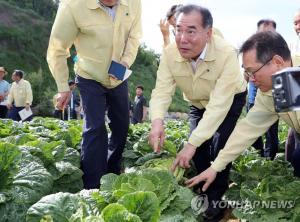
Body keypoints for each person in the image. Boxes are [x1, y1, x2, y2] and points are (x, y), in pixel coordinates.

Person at [148, 5, 246, 221]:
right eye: (178, 30)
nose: (182, 38)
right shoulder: (170, 54)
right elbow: (162, 90)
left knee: (219, 145)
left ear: (208, 33)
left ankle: (217, 201)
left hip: (229, 100)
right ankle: (205, 193)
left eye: (191, 31)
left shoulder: (226, 53)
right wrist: (156, 122)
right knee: (199, 151)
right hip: (197, 102)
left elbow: (219, 106)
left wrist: (190, 144)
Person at [187, 31, 300, 192]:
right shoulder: (275, 87)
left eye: (253, 71)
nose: (251, 79)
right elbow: (247, 129)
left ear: (277, 62)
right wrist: (215, 167)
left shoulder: (292, 78)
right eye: (247, 73)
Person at [47, 0, 142, 189]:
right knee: (95, 127)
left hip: (119, 75)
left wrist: (125, 62)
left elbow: (134, 36)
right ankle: (93, 186)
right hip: (89, 74)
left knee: (122, 126)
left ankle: (112, 173)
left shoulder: (134, 2)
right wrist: (63, 87)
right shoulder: (73, 5)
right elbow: (57, 49)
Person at [246, 19, 279, 159]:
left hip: (273, 96)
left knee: (271, 131)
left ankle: (269, 160)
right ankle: (257, 157)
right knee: (252, 128)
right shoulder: (251, 50)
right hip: (253, 95)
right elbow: (245, 73)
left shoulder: (280, 51)